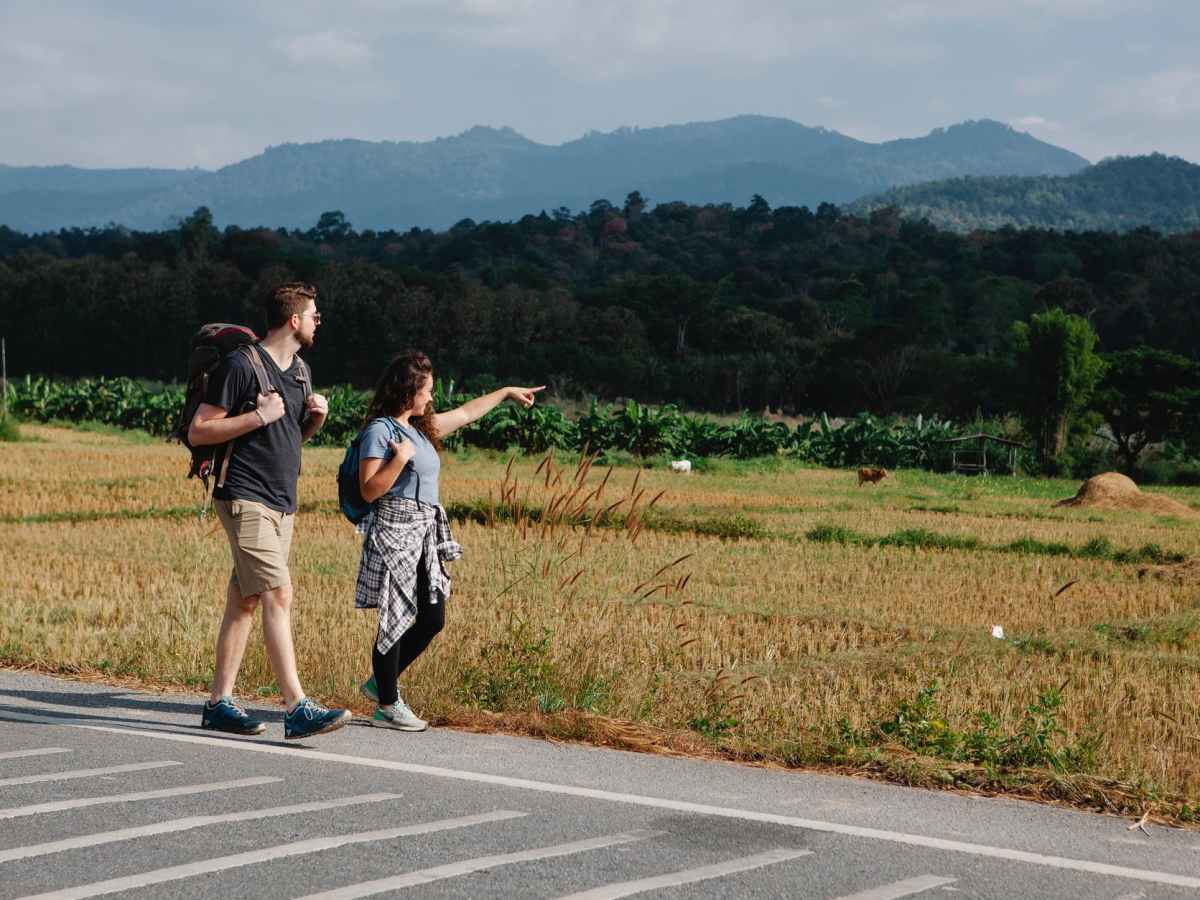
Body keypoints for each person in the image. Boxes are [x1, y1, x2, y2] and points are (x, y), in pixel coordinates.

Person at [189, 282, 352, 741]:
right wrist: (257, 416)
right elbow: (200, 430)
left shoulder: (300, 372)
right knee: (279, 594)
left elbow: (287, 438)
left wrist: (314, 420)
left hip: (282, 501)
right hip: (243, 495)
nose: (319, 321)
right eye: (314, 314)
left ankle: (219, 704)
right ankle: (297, 708)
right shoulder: (242, 366)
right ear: (293, 319)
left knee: (245, 600)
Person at [355, 350, 543, 730]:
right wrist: (399, 459)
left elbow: (467, 413)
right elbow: (369, 490)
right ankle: (388, 704)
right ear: (408, 392)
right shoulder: (381, 431)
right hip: (396, 530)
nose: (431, 397)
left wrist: (506, 392)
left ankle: (380, 684)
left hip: (425, 531)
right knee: (395, 615)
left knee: (432, 617)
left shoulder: (422, 429)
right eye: (426, 390)